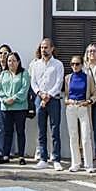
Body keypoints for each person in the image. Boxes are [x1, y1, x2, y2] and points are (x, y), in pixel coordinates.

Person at [29, 37, 65, 170]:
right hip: (40, 99)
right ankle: (43, 158)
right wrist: (40, 94)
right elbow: (33, 82)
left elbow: (59, 82)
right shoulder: (36, 64)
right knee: (41, 130)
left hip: (53, 99)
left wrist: (48, 95)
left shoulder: (58, 64)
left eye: (46, 47)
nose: (43, 50)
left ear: (52, 49)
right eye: (42, 47)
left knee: (55, 129)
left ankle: (56, 159)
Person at [64, 54, 96, 174]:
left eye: (77, 64)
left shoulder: (88, 78)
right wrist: (67, 101)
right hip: (71, 107)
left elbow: (95, 93)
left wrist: (89, 102)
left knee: (85, 136)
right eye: (72, 64)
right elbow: (66, 94)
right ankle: (75, 163)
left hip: (83, 107)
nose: (75, 66)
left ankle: (88, 164)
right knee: (73, 136)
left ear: (82, 65)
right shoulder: (68, 78)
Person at [0, 49, 29, 165]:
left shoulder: (24, 73)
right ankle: (5, 155)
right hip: (6, 108)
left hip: (20, 108)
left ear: (18, 62)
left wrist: (14, 98)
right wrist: (5, 100)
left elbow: (24, 89)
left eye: (14, 61)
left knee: (20, 131)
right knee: (7, 131)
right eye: (9, 61)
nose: (11, 63)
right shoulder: (3, 74)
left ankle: (21, 156)